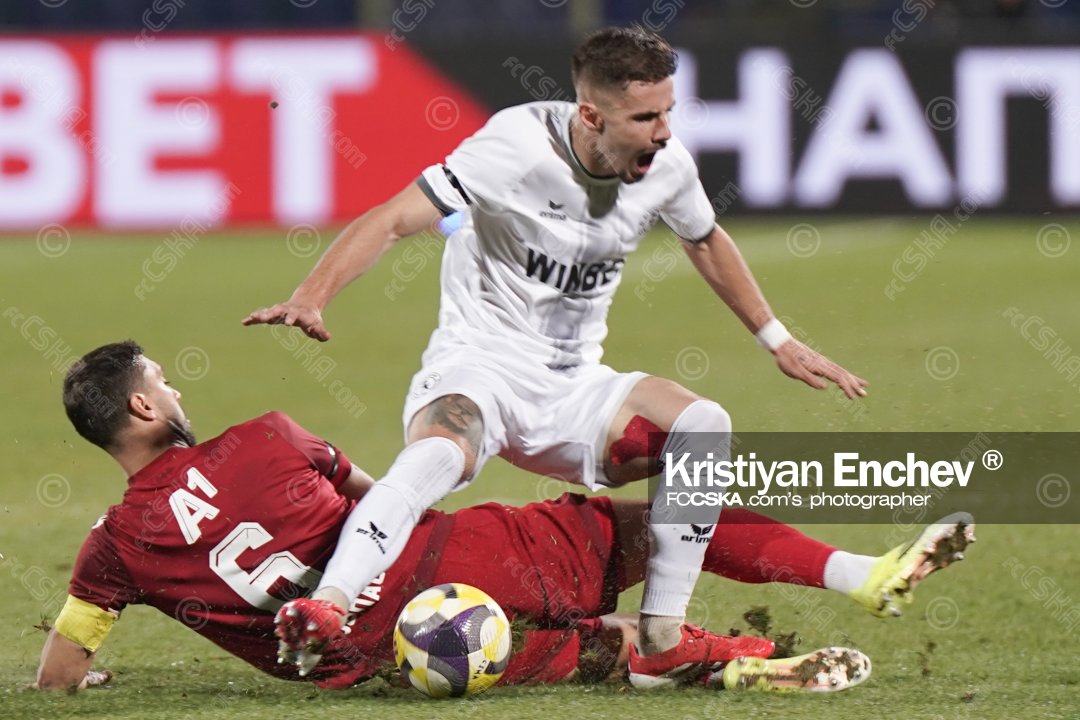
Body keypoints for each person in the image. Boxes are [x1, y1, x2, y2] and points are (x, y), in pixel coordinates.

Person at [244, 25, 872, 685]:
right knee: (433, 457)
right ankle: (329, 603)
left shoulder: (667, 166)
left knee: (702, 424)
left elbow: (704, 238)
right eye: (645, 118)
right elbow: (394, 219)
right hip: (478, 368)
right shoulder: (513, 146)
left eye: (668, 112)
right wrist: (311, 296)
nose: (664, 132)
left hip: (575, 389)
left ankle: (662, 639)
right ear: (592, 116)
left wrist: (777, 339)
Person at [36, 343, 975, 693]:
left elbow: (60, 671)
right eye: (165, 381)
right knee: (657, 523)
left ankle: (722, 662)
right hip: (460, 559)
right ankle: (856, 576)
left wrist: (90, 676)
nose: (177, 388)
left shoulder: (111, 551)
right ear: (146, 407)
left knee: (592, 654)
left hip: (374, 666)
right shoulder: (267, 437)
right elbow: (384, 501)